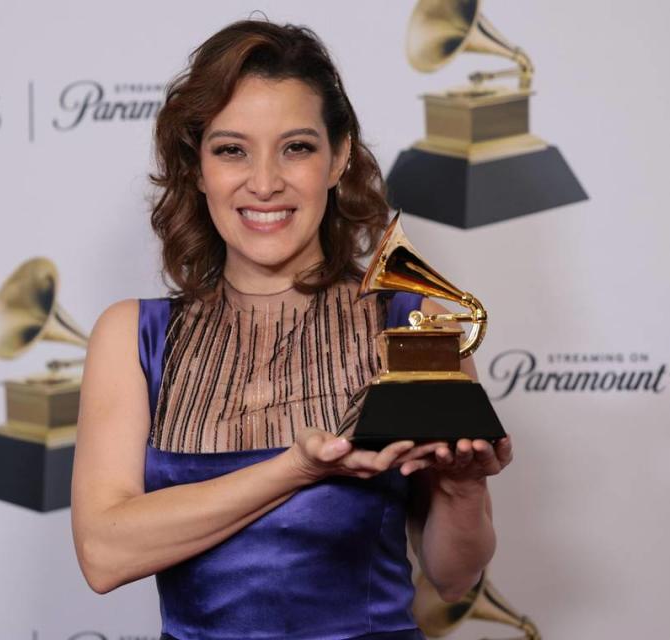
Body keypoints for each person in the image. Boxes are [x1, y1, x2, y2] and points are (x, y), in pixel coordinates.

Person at [71, 19, 513, 640]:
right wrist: (298, 468)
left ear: (337, 158)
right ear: (197, 168)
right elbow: (104, 554)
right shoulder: (132, 335)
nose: (265, 182)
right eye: (232, 149)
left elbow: (452, 576)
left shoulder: (412, 323)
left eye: (296, 147)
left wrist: (463, 493)